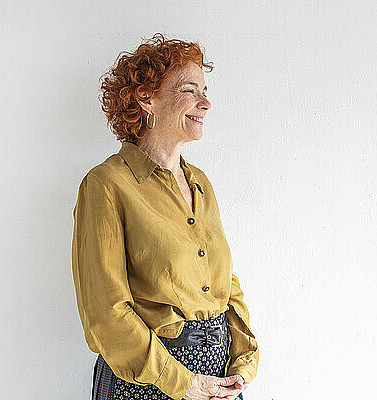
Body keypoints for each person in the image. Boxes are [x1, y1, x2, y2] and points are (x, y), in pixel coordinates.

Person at [71, 33, 259, 400]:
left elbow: (226, 286)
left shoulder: (200, 183)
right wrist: (183, 382)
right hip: (148, 382)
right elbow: (105, 315)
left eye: (205, 91)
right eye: (190, 90)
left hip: (217, 378)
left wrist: (244, 361)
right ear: (146, 98)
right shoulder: (106, 185)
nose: (205, 103)